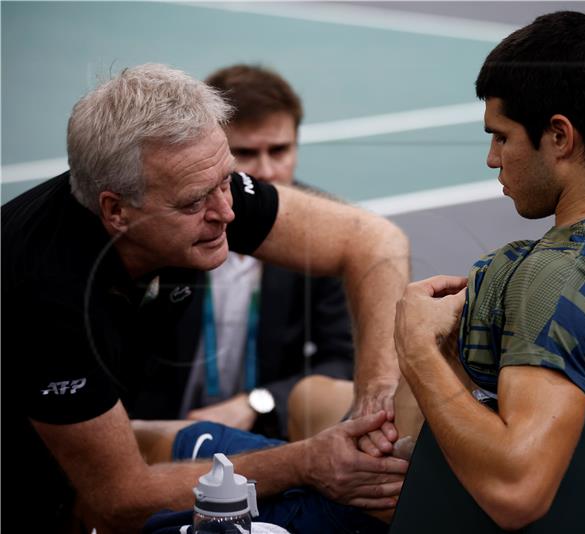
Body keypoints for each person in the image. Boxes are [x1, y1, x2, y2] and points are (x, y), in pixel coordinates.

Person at [1, 63, 409, 532]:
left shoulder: (191, 187)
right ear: (116, 210)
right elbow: (119, 497)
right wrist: (306, 461)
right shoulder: (46, 294)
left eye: (226, 181)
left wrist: (376, 393)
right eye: (195, 202)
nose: (228, 211)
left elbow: (374, 241)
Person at [391, 11, 585, 530]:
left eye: (502, 137)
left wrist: (417, 350)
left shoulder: (554, 278)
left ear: (559, 136)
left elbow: (519, 488)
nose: (492, 158)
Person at [135, 64, 355, 440]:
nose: (267, 171)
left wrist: (256, 403)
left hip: (268, 435)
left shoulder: (329, 230)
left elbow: (343, 360)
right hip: (157, 431)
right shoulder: (163, 221)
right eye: (246, 153)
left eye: (280, 150)